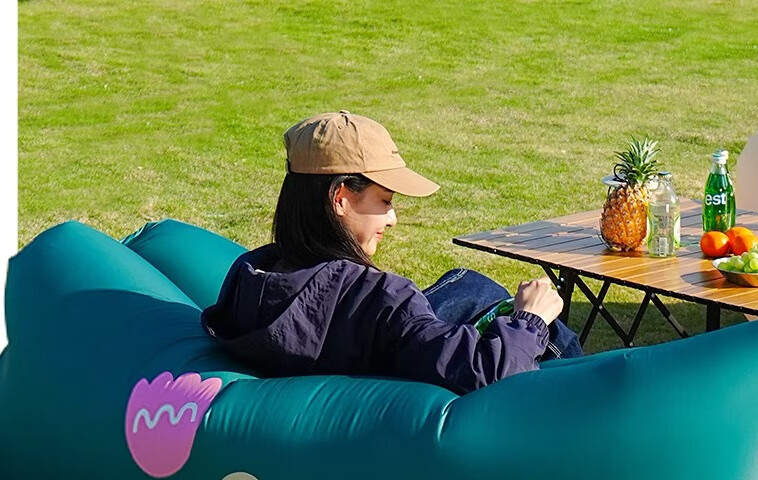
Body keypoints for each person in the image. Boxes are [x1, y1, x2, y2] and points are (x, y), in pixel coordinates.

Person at [203, 111, 582, 394]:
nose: (393, 218)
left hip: (347, 365)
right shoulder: (380, 299)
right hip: (398, 389)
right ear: (340, 198)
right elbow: (490, 375)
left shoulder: (252, 276)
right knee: (489, 298)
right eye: (384, 200)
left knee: (462, 287)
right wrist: (529, 319)